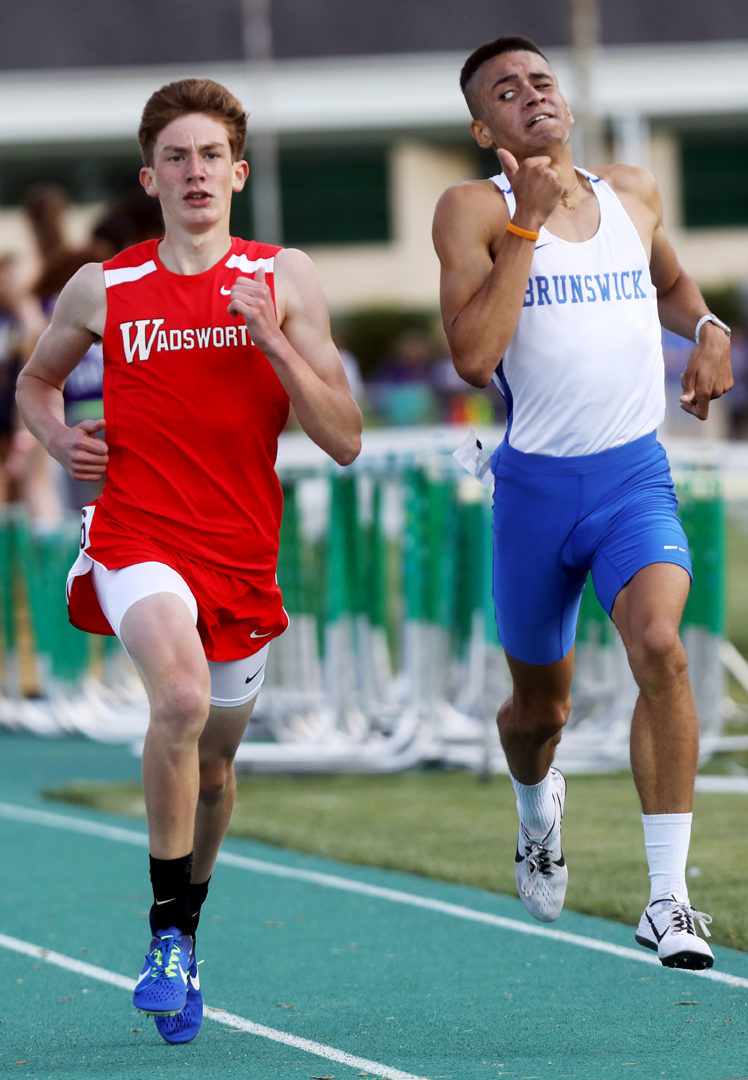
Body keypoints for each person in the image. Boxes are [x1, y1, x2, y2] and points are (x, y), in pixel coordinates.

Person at [17, 77, 362, 1042]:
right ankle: (164, 938)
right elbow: (35, 381)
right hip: (137, 536)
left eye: (212, 155)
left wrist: (275, 345)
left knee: (214, 769)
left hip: (242, 555)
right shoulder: (107, 285)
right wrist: (57, 440)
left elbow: (344, 437)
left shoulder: (281, 277)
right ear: (151, 176)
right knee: (177, 699)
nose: (196, 171)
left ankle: (189, 928)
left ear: (238, 173)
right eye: (178, 156)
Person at [433, 36, 732, 971]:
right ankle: (536, 808)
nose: (532, 98)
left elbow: (673, 287)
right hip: (534, 491)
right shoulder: (471, 209)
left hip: (630, 478)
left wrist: (712, 326)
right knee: (537, 715)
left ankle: (669, 901)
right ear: (485, 127)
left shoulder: (631, 192)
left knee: (660, 649)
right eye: (506, 92)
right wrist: (523, 224)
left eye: (541, 83)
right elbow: (475, 359)